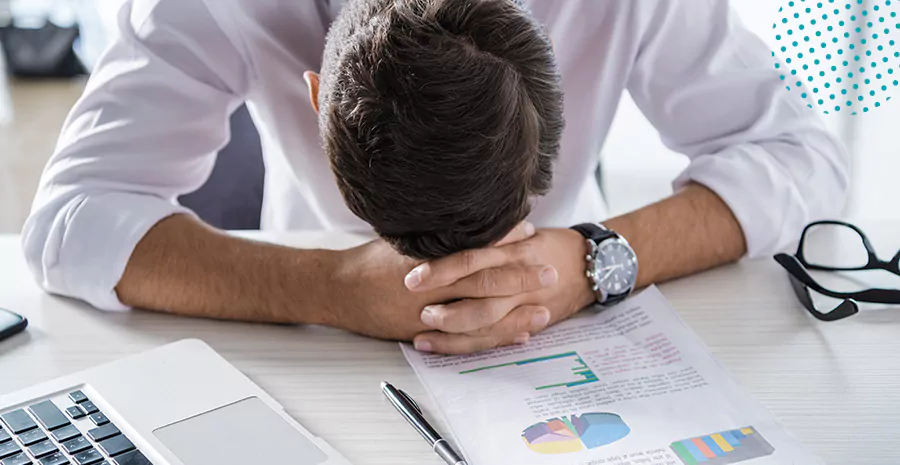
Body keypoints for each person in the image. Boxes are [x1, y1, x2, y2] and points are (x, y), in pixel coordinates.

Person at [23, 0, 848, 355]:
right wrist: (329, 287)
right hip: (315, 342)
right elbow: (68, 218)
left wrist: (594, 260)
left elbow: (802, 156)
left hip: (565, 326)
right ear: (317, 99)